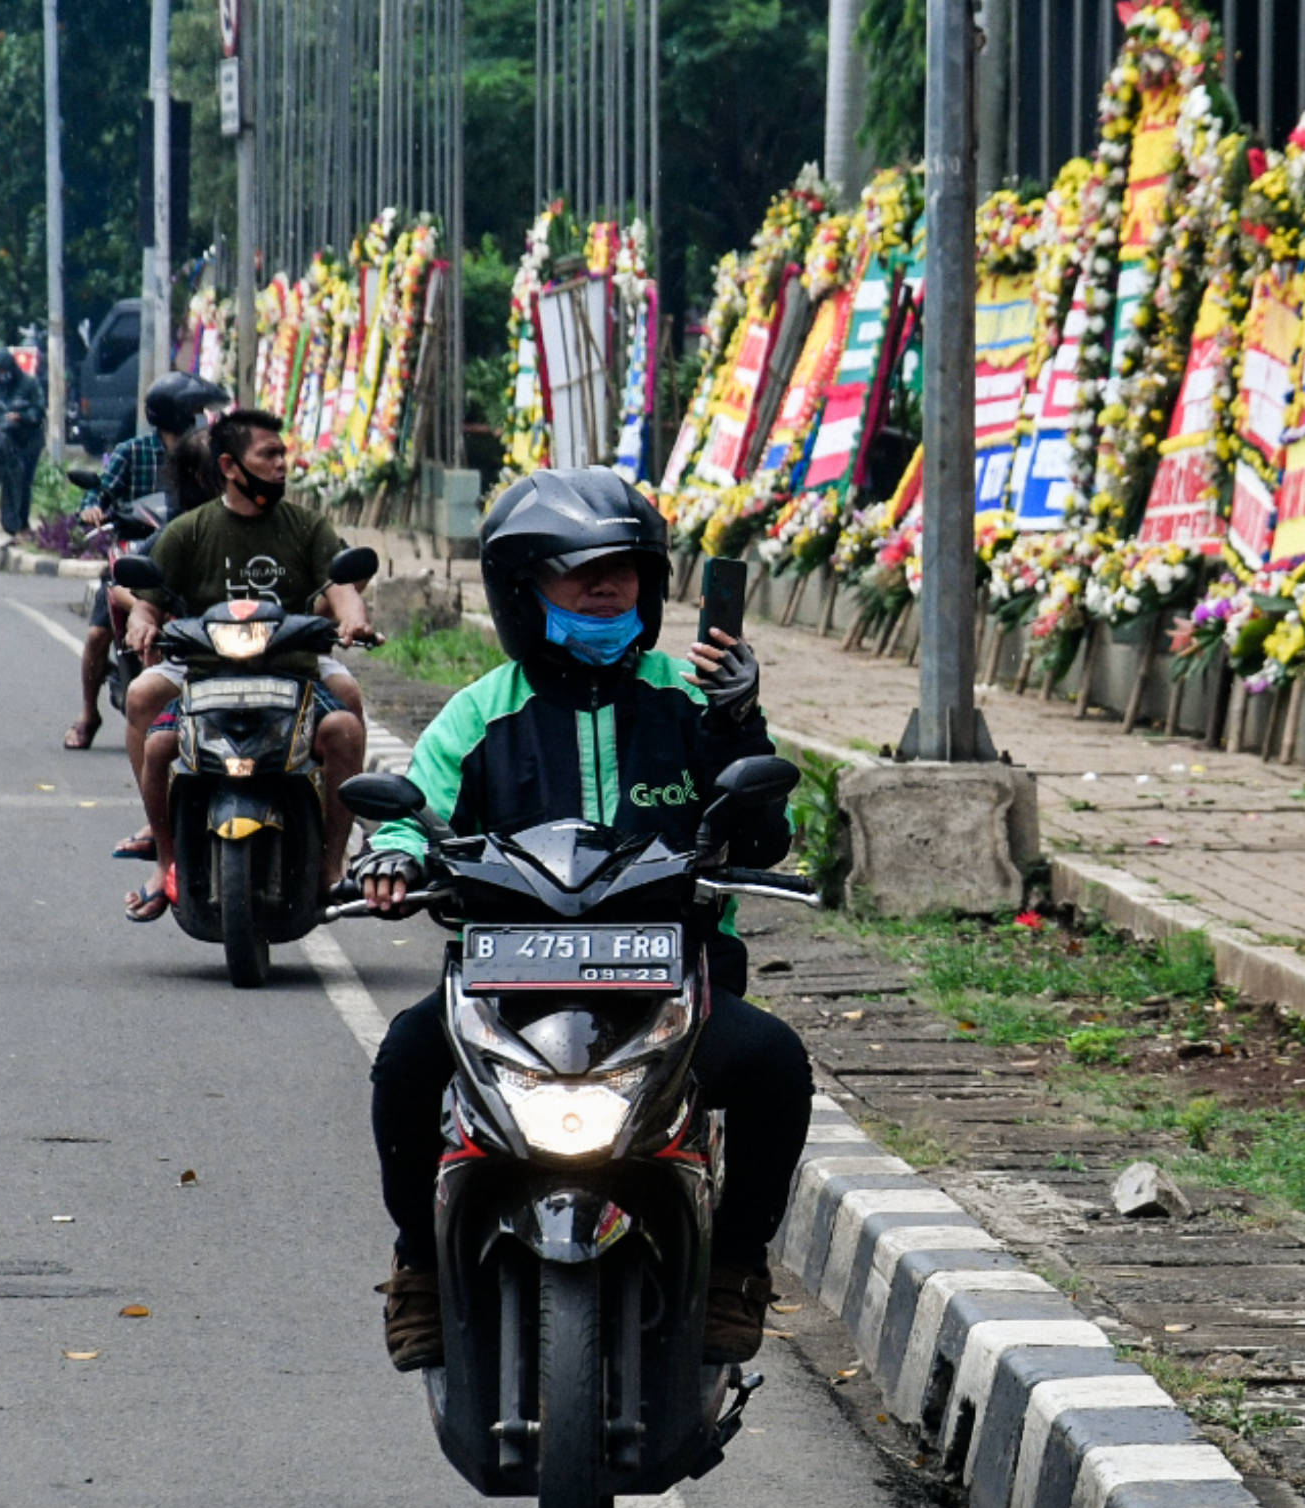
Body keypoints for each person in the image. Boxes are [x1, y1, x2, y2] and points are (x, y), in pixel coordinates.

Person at [352, 468, 812, 1372]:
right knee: (406, 1060)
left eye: (622, 571)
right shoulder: (481, 711)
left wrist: (739, 721)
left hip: (673, 989)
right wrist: (396, 853)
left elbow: (766, 833)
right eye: (578, 574)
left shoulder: (692, 698)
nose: (605, 589)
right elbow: (416, 808)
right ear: (524, 590)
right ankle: (418, 1267)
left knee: (774, 1068)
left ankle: (735, 1268)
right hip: (507, 992)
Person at [116, 408, 374, 912]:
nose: (282, 464)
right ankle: (165, 860)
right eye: (269, 454)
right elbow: (147, 597)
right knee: (155, 732)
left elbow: (341, 585)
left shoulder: (306, 526)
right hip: (206, 672)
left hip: (292, 669)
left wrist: (353, 619)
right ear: (232, 467)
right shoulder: (190, 530)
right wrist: (143, 621)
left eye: (283, 453)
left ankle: (332, 862)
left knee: (345, 727)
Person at [69, 373, 229, 752]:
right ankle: (88, 714)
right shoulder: (133, 452)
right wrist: (92, 508)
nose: (198, 415)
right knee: (96, 635)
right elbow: (100, 491)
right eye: (191, 408)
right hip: (137, 548)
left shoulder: (203, 451)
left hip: (190, 549)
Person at [0, 347, 46, 537]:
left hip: (29, 440)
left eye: (5, 371)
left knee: (24, 480)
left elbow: (39, 411)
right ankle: (11, 525)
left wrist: (20, 416)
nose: (3, 376)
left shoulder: (29, 383)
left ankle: (23, 523)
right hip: (7, 441)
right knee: (8, 479)